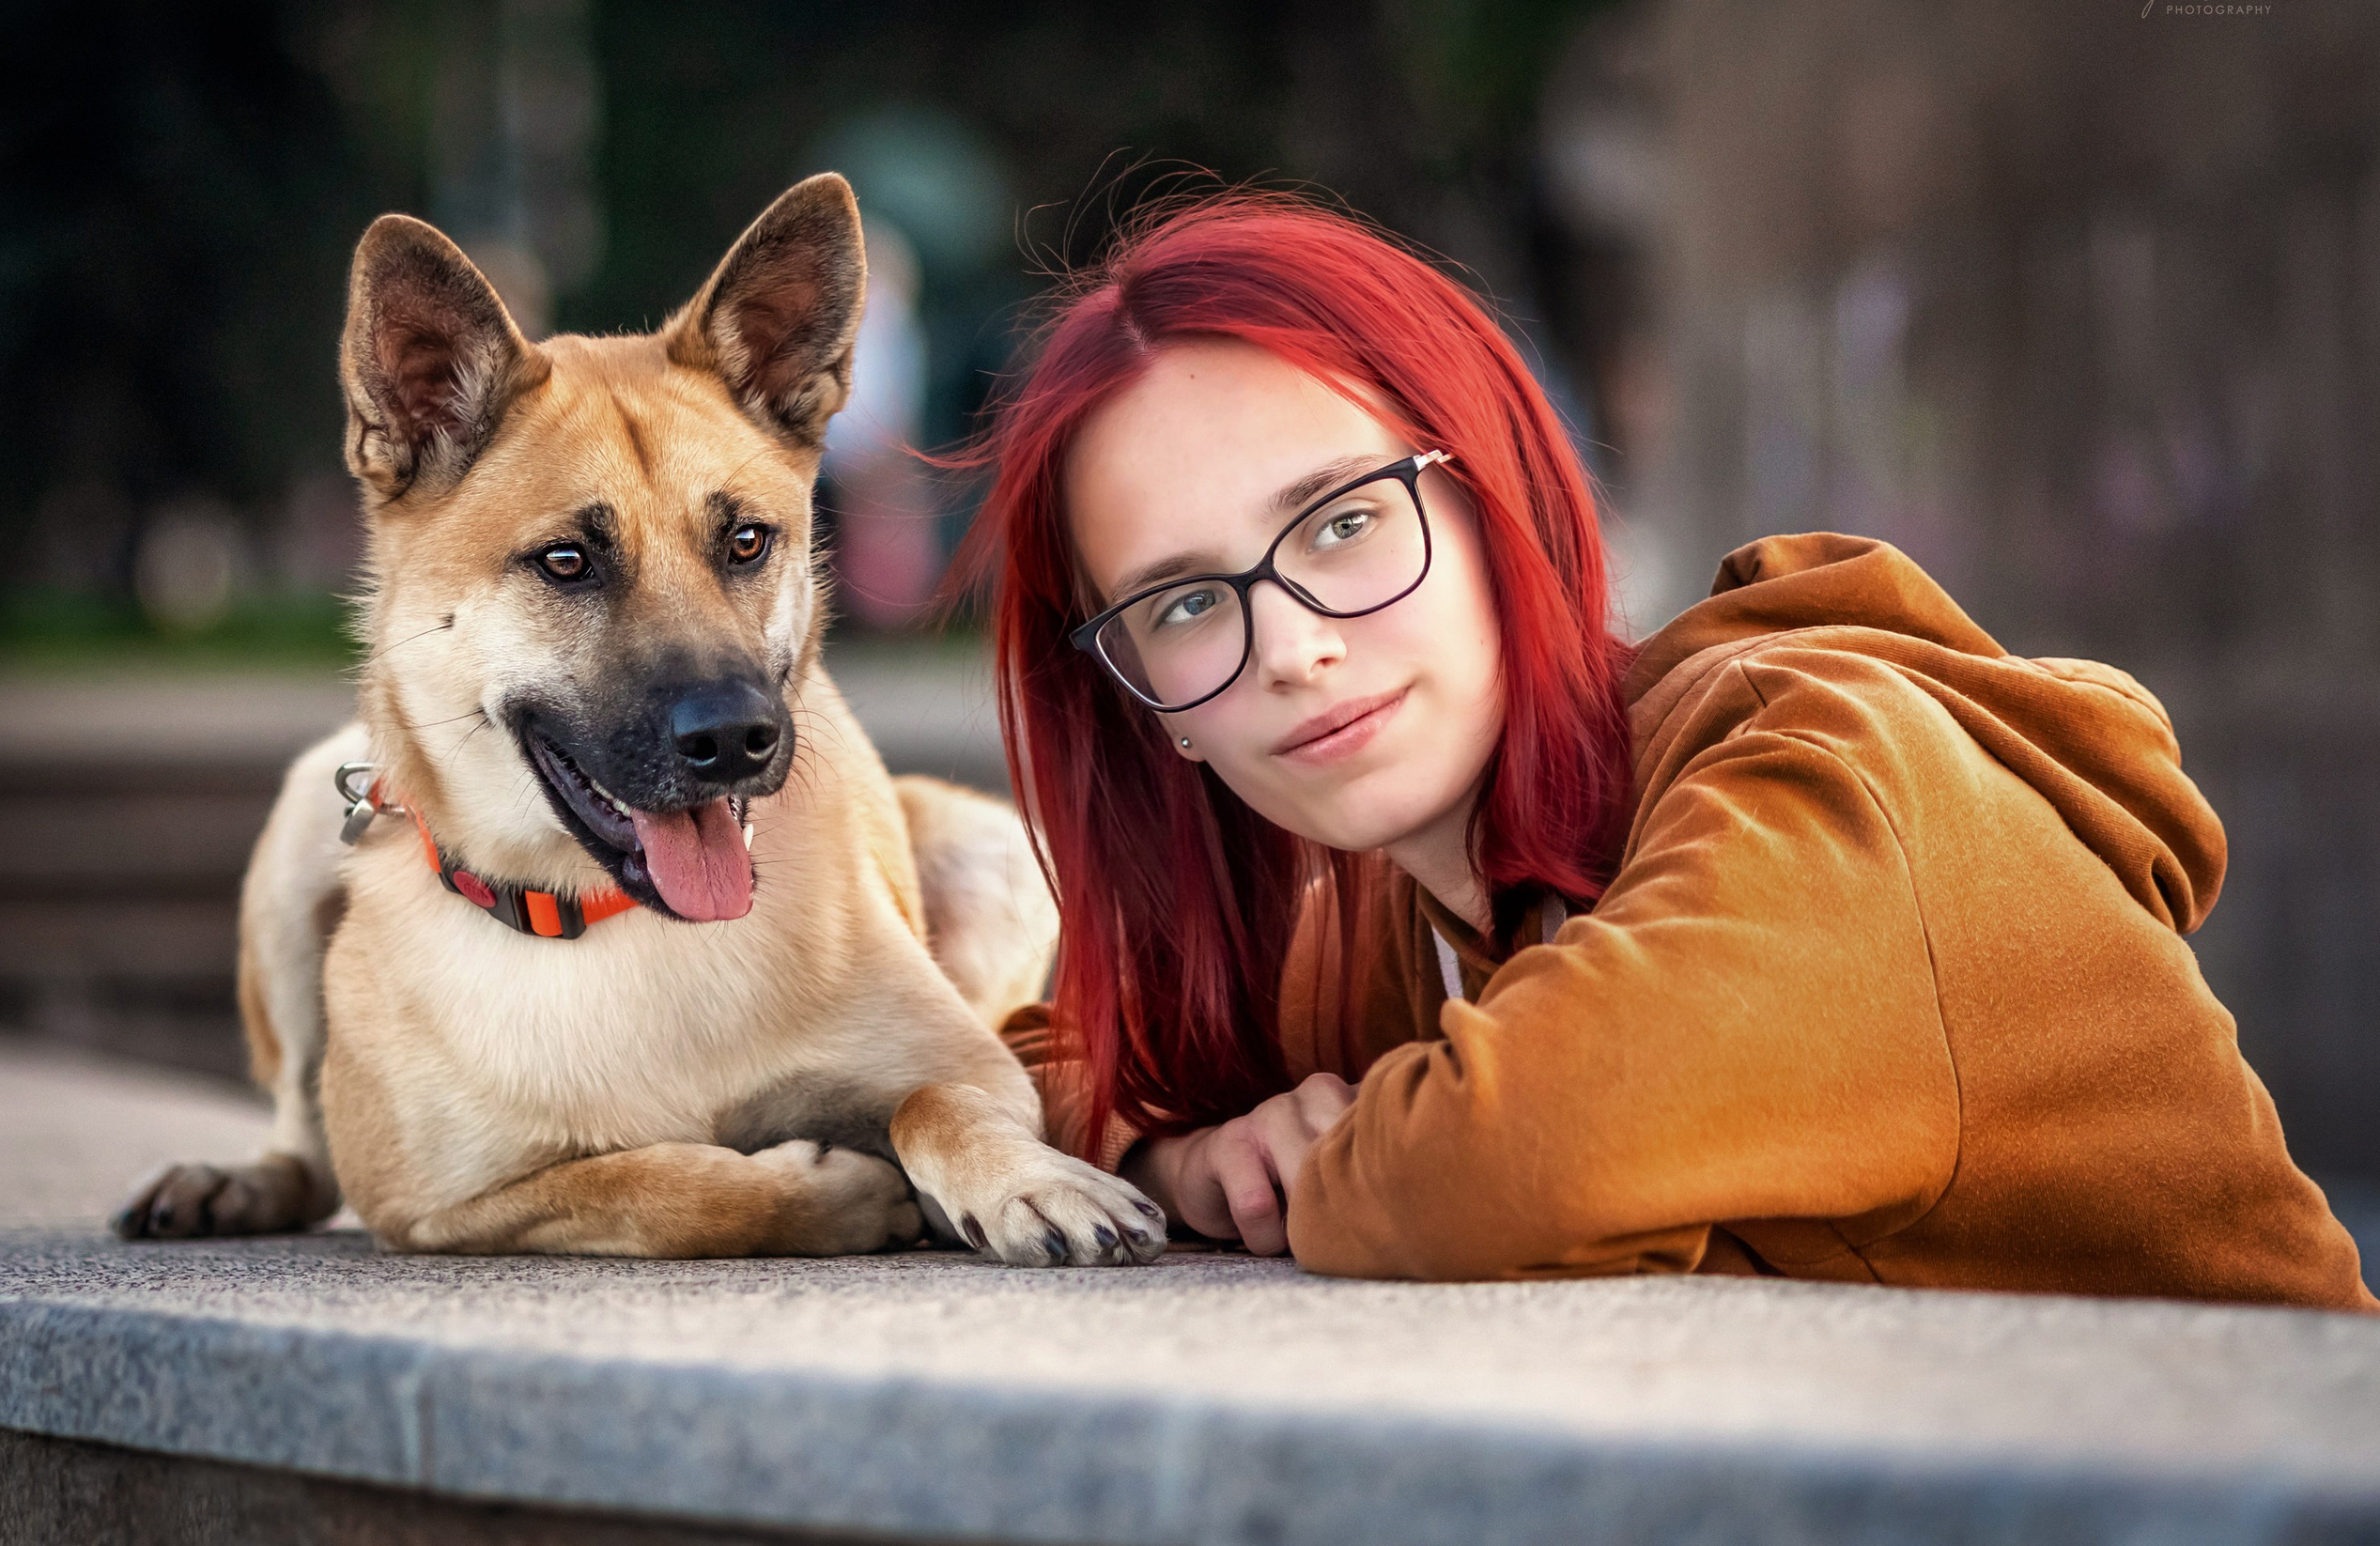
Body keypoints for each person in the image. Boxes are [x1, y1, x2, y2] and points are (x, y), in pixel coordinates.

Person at [957, 193, 2373, 1308]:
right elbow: (1028, 1066)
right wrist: (1184, 1157)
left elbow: (1522, 1158)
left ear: (1494, 494)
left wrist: (1329, 1163)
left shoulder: (1833, 779)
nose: (1290, 645)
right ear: (1142, 705)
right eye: (1187, 604)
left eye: (1343, 522)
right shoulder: (1407, 915)